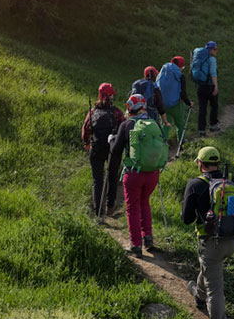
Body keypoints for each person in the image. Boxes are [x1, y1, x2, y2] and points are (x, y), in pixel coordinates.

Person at [183, 146, 234, 319]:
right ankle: (198, 296)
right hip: (232, 240)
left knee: (215, 289)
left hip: (211, 243)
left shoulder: (196, 184)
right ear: (217, 163)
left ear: (201, 164)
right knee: (209, 269)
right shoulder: (229, 183)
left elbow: (186, 219)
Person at [109, 94, 166, 257]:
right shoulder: (154, 123)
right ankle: (148, 238)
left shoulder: (127, 125)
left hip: (134, 173)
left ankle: (135, 245)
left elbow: (116, 150)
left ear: (129, 108)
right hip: (153, 173)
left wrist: (111, 139)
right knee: (144, 203)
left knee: (133, 208)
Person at [81, 83, 125, 217]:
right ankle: (110, 207)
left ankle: (97, 211)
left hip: (96, 149)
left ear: (100, 96)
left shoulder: (93, 112)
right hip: (113, 149)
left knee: (97, 181)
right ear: (111, 96)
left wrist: (87, 143)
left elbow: (85, 129)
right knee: (112, 177)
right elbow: (123, 128)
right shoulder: (117, 112)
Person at [157, 56, 193, 146]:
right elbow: (183, 93)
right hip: (176, 104)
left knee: (165, 124)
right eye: (183, 67)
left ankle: (162, 144)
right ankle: (181, 142)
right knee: (180, 124)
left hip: (163, 104)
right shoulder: (180, 76)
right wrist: (189, 103)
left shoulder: (163, 71)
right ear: (180, 66)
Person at [191, 41, 220, 137]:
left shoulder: (199, 57)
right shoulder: (211, 59)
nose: (216, 51)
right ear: (210, 50)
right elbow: (213, 73)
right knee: (214, 106)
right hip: (210, 86)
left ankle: (201, 130)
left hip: (200, 86)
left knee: (202, 108)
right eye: (215, 49)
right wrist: (216, 86)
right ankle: (213, 125)